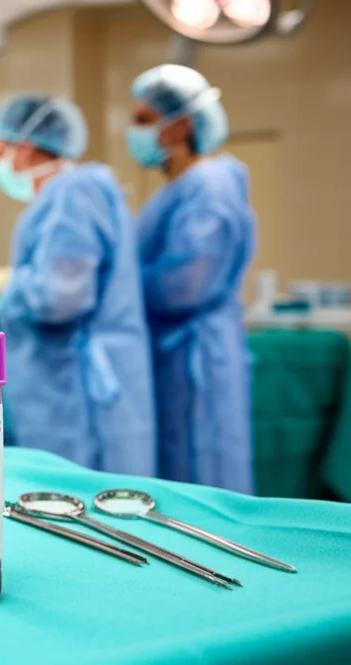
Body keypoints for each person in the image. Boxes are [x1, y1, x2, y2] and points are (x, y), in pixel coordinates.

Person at [0, 94, 155, 476]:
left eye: (1, 151)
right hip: (81, 387)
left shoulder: (70, 195)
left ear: (29, 148)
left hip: (78, 395)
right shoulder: (80, 194)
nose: (0, 164)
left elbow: (60, 295)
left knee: (76, 502)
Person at [127, 64, 256, 493]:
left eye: (144, 119)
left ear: (180, 125)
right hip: (174, 357)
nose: (134, 130)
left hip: (197, 358)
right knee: (178, 480)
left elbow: (186, 285)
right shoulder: (175, 192)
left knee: (206, 479)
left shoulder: (209, 187)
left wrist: (114, 290)